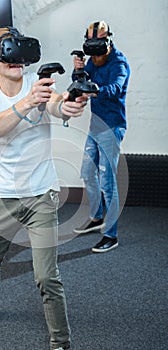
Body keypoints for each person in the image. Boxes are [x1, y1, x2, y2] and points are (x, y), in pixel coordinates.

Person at [0, 26, 88, 350]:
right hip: (2, 197)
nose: (16, 58)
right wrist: (28, 102)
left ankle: (60, 342)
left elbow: (57, 104)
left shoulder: (37, 83)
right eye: (7, 49)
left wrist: (69, 105)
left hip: (42, 196)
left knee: (46, 276)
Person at [73, 21, 130, 253]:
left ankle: (111, 235)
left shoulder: (119, 62)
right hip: (95, 125)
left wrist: (95, 90)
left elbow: (115, 88)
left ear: (108, 40)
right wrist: (78, 69)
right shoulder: (93, 58)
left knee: (107, 181)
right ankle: (97, 218)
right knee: (87, 172)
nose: (94, 53)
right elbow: (83, 79)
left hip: (113, 127)